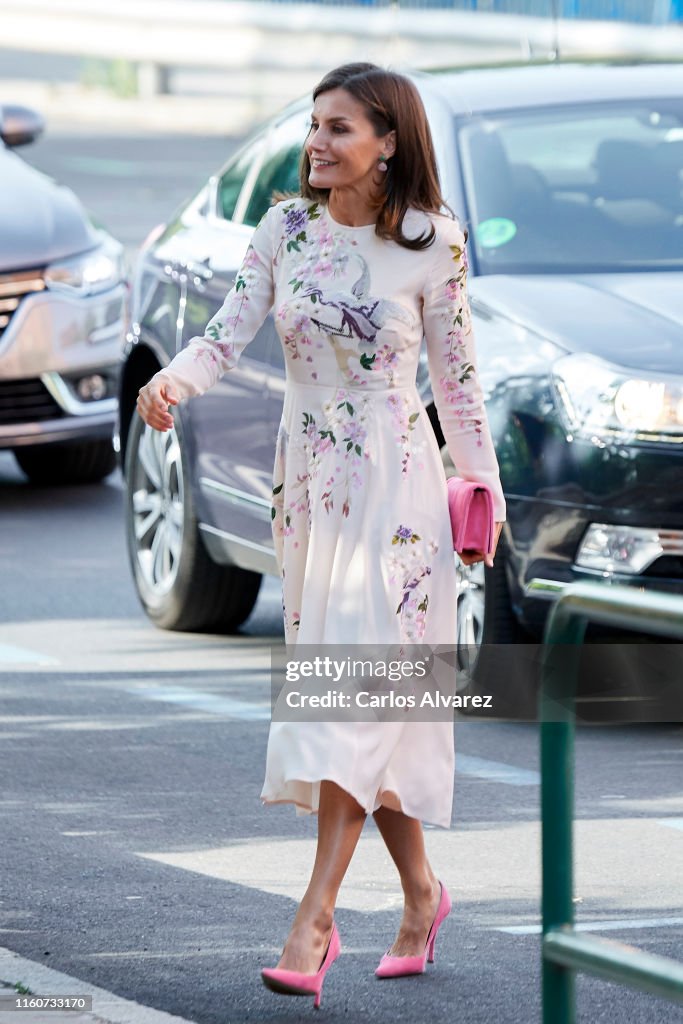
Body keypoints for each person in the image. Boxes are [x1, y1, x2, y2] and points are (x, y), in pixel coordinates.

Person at [136, 62, 505, 1008]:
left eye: (338, 128)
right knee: (356, 698)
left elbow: (457, 385)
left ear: (388, 144)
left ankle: (314, 917)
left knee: (351, 697)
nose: (316, 143)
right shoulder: (285, 229)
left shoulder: (433, 243)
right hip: (309, 486)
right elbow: (226, 330)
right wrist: (173, 382)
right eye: (313, 125)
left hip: (399, 490)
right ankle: (423, 895)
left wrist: (481, 493)